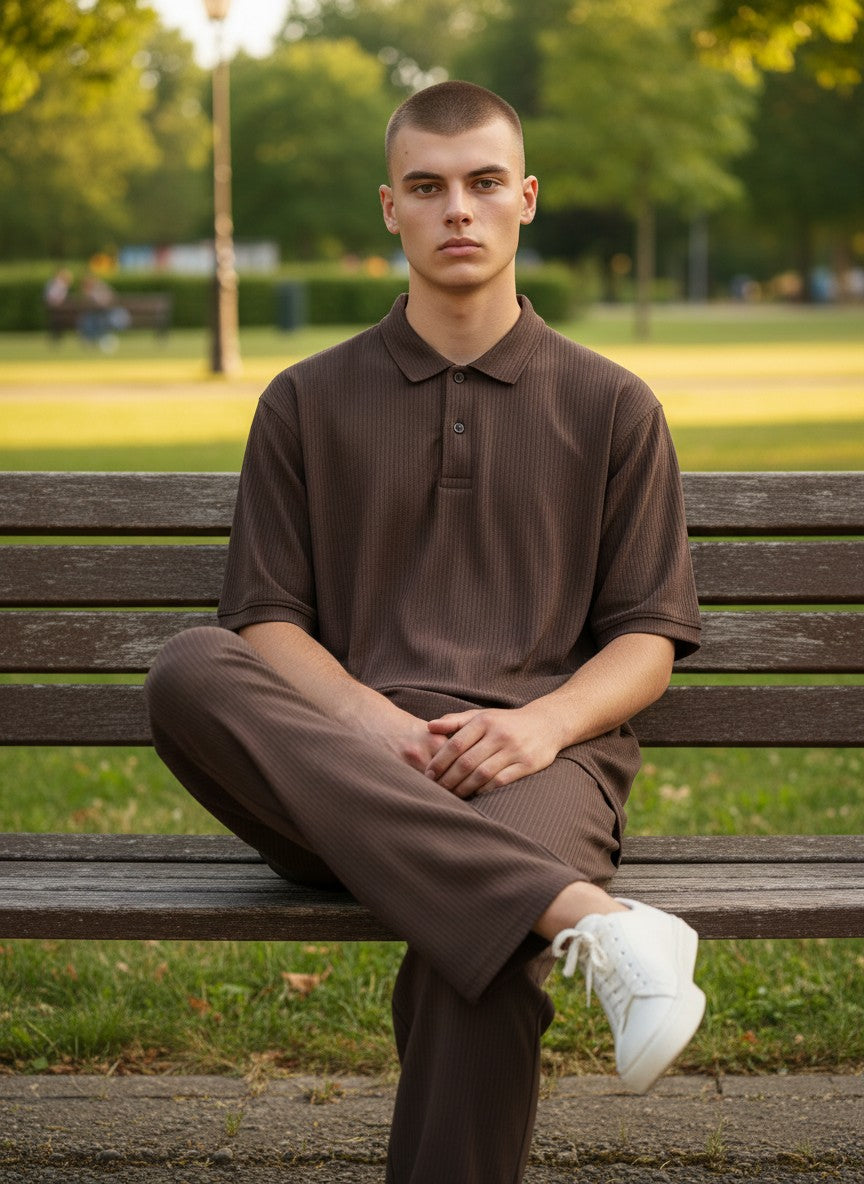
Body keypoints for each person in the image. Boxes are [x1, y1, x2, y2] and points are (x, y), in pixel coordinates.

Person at [145, 80, 705, 1184]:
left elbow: (647, 636)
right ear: (389, 209)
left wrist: (538, 729)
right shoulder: (305, 401)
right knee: (186, 668)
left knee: (485, 946)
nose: (460, 209)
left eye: (485, 183)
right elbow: (262, 619)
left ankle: (548, 900)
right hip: (341, 774)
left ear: (526, 199)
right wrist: (371, 725)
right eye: (429, 186)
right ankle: (594, 919)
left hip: (538, 767)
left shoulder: (612, 404)